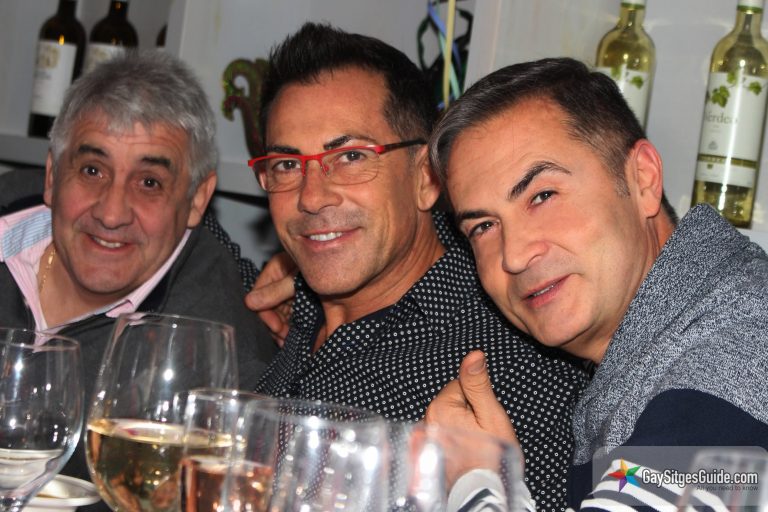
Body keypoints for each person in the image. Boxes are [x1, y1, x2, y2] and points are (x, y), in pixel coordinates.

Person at [247, 22, 588, 509]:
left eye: (350, 156)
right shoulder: (300, 311)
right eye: (286, 165)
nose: (311, 197)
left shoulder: (503, 377)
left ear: (427, 177)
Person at [425, 57, 768, 510]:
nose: (514, 255)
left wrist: (478, 479)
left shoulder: (738, 345)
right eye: (484, 227)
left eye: (542, 196)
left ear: (643, 178)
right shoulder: (662, 346)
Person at [0, 50, 277, 500]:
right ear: (52, 176)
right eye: (92, 170)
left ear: (197, 199)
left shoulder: (221, 355)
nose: (111, 213)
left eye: (149, 182)